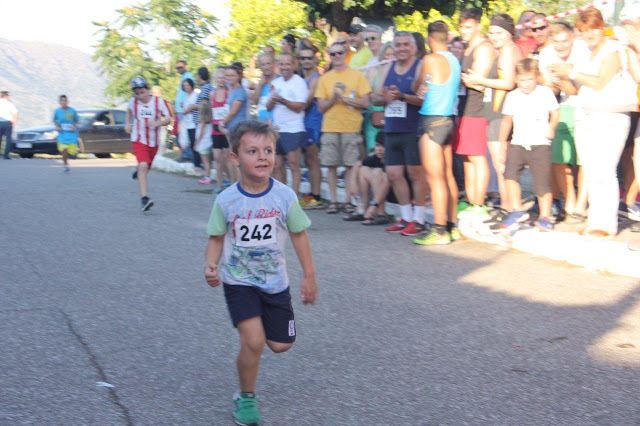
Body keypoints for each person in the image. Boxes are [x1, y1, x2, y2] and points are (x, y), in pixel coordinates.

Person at [204, 119, 317, 426]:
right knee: (253, 341)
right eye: (252, 151)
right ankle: (246, 397)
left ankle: (258, 339)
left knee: (281, 345)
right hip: (239, 282)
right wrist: (211, 264)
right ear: (235, 158)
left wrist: (309, 275)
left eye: (268, 150)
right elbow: (216, 237)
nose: (263, 157)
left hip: (275, 282)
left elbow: (299, 234)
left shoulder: (284, 196)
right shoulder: (226, 200)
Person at [552, 8, 637, 237]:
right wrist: (560, 78)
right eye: (585, 30)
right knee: (591, 171)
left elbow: (600, 82)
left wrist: (571, 71)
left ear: (602, 27)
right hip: (586, 114)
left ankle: (606, 225)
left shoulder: (613, 50)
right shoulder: (583, 54)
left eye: (594, 29)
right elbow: (575, 91)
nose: (590, 35)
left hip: (612, 117)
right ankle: (594, 222)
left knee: (605, 170)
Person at [461, 14, 521, 212]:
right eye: (492, 33)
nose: (494, 37)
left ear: (509, 33)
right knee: (500, 163)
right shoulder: (503, 50)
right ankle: (506, 206)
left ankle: (511, 209)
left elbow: (508, 83)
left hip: (502, 112)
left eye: (499, 33)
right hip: (496, 111)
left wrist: (480, 81)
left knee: (502, 163)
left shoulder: (510, 50)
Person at [372, 31, 427, 236]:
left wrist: (402, 96)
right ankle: (406, 217)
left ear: (413, 47)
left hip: (413, 128)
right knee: (394, 175)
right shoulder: (388, 67)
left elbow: (424, 98)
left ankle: (420, 219)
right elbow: (375, 98)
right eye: (398, 45)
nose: (402, 48)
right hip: (392, 128)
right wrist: (385, 97)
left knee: (415, 174)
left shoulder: (421, 66)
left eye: (405, 44)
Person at [413, 21, 462, 245]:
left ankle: (439, 229)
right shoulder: (454, 59)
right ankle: (451, 226)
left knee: (435, 178)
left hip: (432, 119)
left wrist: (422, 81)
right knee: (448, 175)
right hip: (448, 119)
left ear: (430, 39)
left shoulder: (430, 59)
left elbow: (416, 87)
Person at [499, 58, 559, 231]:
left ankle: (545, 216)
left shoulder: (545, 92)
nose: (525, 84)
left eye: (530, 79)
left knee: (541, 183)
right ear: (516, 79)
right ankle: (517, 210)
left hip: (540, 143)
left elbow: (555, 113)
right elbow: (506, 121)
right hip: (519, 142)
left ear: (537, 77)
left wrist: (551, 127)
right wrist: (503, 142)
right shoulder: (512, 96)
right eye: (522, 80)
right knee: (510, 176)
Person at [538, 21, 591, 219]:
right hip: (562, 105)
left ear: (572, 38)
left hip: (587, 104)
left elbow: (575, 89)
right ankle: (569, 199)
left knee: (584, 158)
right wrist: (548, 81)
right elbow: (552, 89)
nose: (561, 46)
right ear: (551, 41)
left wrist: (563, 77)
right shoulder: (546, 55)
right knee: (559, 157)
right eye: (556, 42)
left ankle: (581, 203)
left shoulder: (583, 51)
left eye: (565, 41)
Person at [316, 42, 371, 214]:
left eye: (340, 53)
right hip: (330, 127)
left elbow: (365, 102)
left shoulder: (357, 76)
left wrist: (348, 100)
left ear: (345, 54)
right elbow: (320, 107)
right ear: (329, 57)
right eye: (333, 54)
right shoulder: (325, 78)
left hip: (351, 126)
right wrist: (334, 98)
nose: (337, 56)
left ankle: (348, 201)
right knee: (330, 165)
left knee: (350, 166)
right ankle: (333, 201)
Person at [456, 8, 496, 220]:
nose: (464, 30)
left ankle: (480, 203)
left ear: (479, 26)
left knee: (478, 159)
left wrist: (460, 78)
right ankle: (471, 200)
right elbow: (468, 79)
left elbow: (478, 82)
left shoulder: (484, 47)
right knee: (467, 159)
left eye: (468, 27)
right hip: (464, 109)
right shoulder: (467, 48)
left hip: (477, 110)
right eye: (462, 26)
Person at [125, 77, 173, 212]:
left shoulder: (159, 102)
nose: (140, 96)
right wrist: (127, 123)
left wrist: (158, 123)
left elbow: (169, 119)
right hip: (138, 139)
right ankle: (144, 199)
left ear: (147, 89)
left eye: (142, 92)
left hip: (153, 141)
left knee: (145, 168)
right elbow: (128, 111)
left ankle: (138, 172)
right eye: (137, 93)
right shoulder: (133, 102)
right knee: (143, 165)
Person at [267, 53, 309, 195]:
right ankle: (282, 196)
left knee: (293, 164)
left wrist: (282, 100)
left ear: (293, 65)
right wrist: (272, 100)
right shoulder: (276, 82)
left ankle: (294, 197)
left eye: (287, 64)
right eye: (282, 64)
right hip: (277, 129)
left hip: (294, 129)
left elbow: (299, 107)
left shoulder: (299, 82)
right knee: (277, 165)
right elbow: (268, 107)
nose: (284, 67)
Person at [299, 46, 325, 209]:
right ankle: (312, 194)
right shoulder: (301, 78)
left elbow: (306, 102)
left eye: (309, 58)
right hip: (304, 121)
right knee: (308, 160)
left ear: (315, 59)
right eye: (303, 58)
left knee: (313, 159)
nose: (306, 61)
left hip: (314, 123)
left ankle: (316, 196)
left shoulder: (316, 79)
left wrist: (287, 102)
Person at [363, 42, 395, 153]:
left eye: (393, 54)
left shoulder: (399, 72)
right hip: (375, 116)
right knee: (373, 151)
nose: (390, 58)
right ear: (382, 56)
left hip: (392, 116)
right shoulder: (374, 71)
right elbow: (368, 93)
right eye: (387, 55)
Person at [211, 66, 235, 191]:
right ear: (215, 79)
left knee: (228, 158)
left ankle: (232, 184)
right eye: (219, 77)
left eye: (223, 77)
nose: (221, 80)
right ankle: (219, 184)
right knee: (217, 158)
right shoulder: (212, 94)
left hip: (226, 128)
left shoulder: (229, 93)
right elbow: (211, 112)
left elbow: (231, 110)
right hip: (215, 129)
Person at [53, 95, 79, 173]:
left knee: (70, 151)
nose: (64, 102)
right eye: (62, 100)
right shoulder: (57, 111)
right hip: (62, 134)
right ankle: (65, 165)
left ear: (67, 102)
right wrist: (57, 126)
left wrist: (74, 126)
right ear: (60, 102)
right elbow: (55, 120)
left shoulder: (72, 111)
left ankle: (69, 158)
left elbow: (77, 120)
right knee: (63, 149)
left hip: (71, 134)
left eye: (65, 101)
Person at [221, 64, 249, 133]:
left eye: (232, 75)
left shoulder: (240, 91)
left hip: (238, 128)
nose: (229, 78)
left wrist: (222, 123)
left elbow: (233, 112)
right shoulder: (232, 90)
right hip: (231, 127)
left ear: (239, 76)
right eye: (227, 75)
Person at [175, 60, 194, 160]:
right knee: (181, 133)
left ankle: (187, 154)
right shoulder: (183, 77)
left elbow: (189, 90)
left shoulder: (188, 76)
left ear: (185, 66)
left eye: (181, 67)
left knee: (184, 133)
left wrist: (185, 104)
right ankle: (185, 154)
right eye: (177, 68)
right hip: (180, 110)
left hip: (184, 110)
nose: (179, 69)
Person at [252, 53, 278, 123]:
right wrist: (260, 84)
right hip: (263, 127)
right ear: (260, 66)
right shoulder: (261, 83)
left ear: (274, 64)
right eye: (263, 64)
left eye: (268, 63)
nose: (266, 67)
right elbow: (254, 102)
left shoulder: (280, 81)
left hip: (277, 126)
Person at [180, 78, 199, 165]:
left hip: (194, 123)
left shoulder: (195, 95)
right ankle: (195, 162)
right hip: (188, 123)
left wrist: (186, 109)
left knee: (195, 144)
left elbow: (194, 107)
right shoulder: (187, 96)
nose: (186, 87)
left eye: (188, 85)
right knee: (191, 144)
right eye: (184, 86)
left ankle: (197, 163)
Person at [195, 102, 214, 184]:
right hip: (208, 142)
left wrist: (196, 142)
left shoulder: (202, 121)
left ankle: (207, 177)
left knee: (205, 161)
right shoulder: (209, 120)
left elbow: (201, 132)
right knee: (207, 161)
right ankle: (207, 176)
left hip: (203, 143)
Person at [0, 91, 18, 159]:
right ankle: (6, 155)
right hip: (7, 123)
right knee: (8, 139)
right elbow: (15, 112)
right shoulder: (9, 104)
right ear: (6, 96)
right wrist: (14, 120)